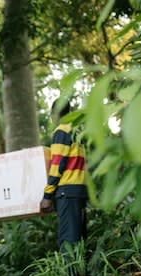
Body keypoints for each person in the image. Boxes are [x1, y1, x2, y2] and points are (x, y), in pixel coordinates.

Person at [40, 100, 88, 253]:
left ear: (55, 114)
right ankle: (79, 275)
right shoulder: (77, 130)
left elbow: (57, 165)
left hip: (67, 190)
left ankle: (70, 275)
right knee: (78, 237)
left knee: (68, 239)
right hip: (80, 189)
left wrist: (47, 195)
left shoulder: (62, 131)